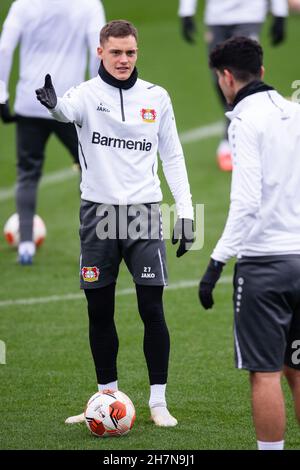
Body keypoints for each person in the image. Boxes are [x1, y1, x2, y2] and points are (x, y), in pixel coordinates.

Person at [36, 20, 195, 427]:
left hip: (143, 214)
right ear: (100, 53)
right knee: (99, 309)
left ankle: (158, 402)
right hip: (98, 215)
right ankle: (106, 399)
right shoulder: (85, 95)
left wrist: (187, 211)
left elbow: (172, 156)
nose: (124, 60)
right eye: (116, 52)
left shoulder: (156, 97)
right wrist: (53, 104)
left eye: (131, 52)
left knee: (152, 308)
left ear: (137, 52)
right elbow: (64, 111)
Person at [198, 36, 300, 450]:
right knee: (298, 365)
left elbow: (245, 202)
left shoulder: (242, 121)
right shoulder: (296, 113)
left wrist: (216, 263)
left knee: (266, 372)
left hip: (265, 267)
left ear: (225, 78)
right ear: (261, 71)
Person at [0, 0, 106, 265]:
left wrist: (1, 94)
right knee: (91, 170)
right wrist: (98, 99)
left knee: (27, 172)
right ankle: (97, 242)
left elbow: (3, 48)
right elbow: (98, 53)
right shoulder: (89, 5)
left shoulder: (23, 4)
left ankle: (26, 245)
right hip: (70, 104)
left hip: (29, 101)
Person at [178, 0, 288, 171]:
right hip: (217, 17)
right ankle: (236, 131)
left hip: (249, 14)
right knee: (220, 77)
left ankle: (231, 139)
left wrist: (280, 12)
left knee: (245, 74)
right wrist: (186, 11)